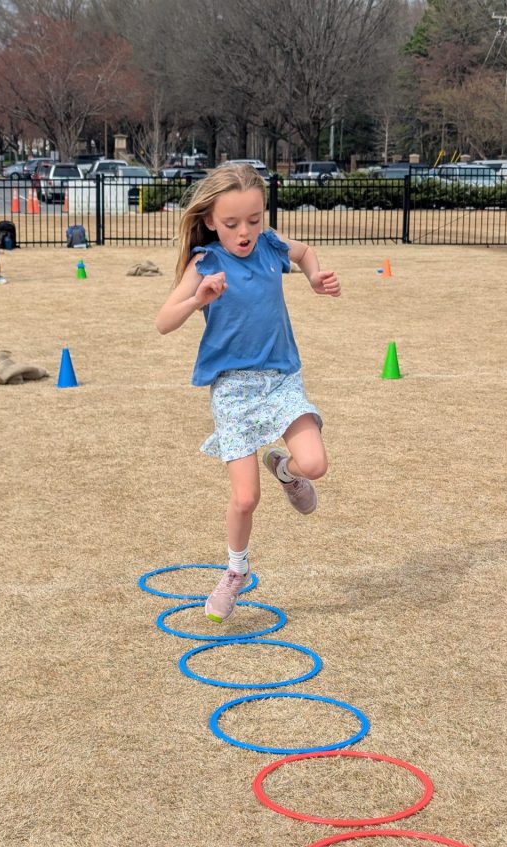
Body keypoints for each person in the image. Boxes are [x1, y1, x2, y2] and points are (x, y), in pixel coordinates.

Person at [155, 163, 341, 622]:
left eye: (254, 220)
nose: (245, 232)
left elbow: (305, 252)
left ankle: (285, 470)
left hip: (281, 377)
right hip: (233, 389)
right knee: (244, 499)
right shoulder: (206, 262)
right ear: (210, 220)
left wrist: (314, 277)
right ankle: (236, 571)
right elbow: (163, 321)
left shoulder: (271, 246)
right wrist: (198, 299)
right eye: (232, 223)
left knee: (315, 465)